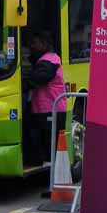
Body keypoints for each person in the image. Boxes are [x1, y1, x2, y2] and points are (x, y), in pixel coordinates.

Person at [25, 31, 66, 165]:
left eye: (34, 43)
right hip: (45, 108)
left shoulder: (48, 61)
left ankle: (50, 169)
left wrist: (23, 83)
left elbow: (38, 78)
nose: (31, 46)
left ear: (44, 44)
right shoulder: (45, 59)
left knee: (47, 140)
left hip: (50, 108)